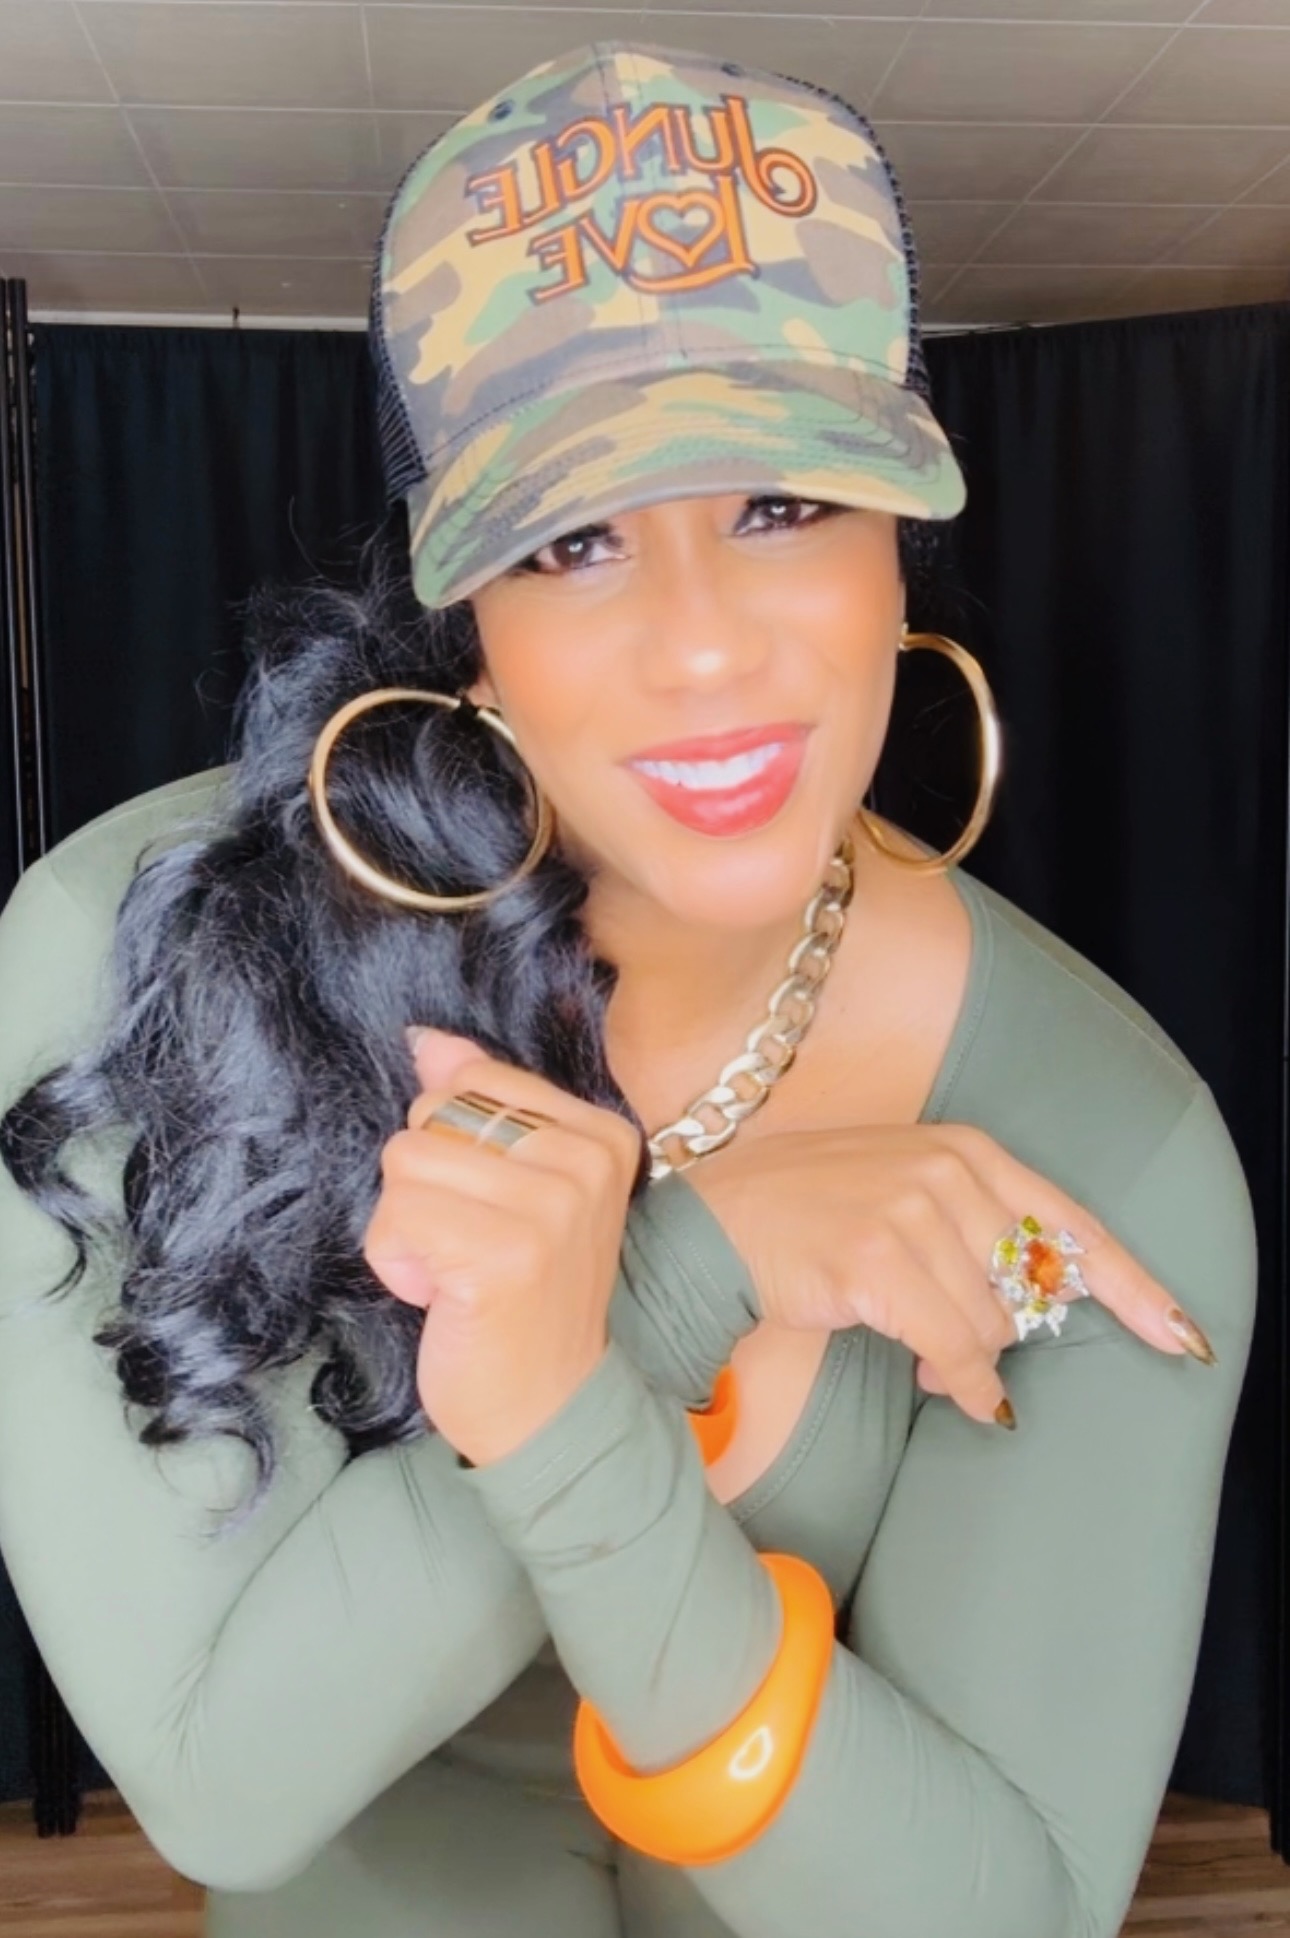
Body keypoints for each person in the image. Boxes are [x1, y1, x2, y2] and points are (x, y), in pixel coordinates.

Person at [0, 38, 1256, 1938]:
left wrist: (561, 1396)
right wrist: (689, 1278)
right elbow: (220, 1783)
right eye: (572, 540)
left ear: (898, 544)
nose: (701, 646)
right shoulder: (136, 956)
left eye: (782, 504)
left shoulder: (1108, 1139)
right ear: (469, 622)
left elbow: (1000, 1912)